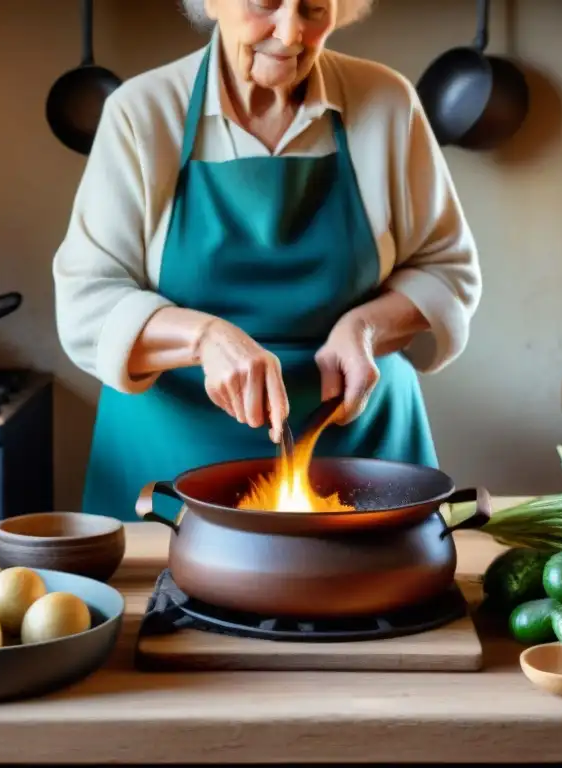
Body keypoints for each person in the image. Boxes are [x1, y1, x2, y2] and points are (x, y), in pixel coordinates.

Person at [53, 0, 481, 522]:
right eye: (267, 4)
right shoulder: (141, 112)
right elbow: (86, 301)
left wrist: (366, 328)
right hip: (172, 455)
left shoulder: (387, 103)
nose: (291, 32)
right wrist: (204, 339)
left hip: (357, 452)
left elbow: (447, 270)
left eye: (314, 10)